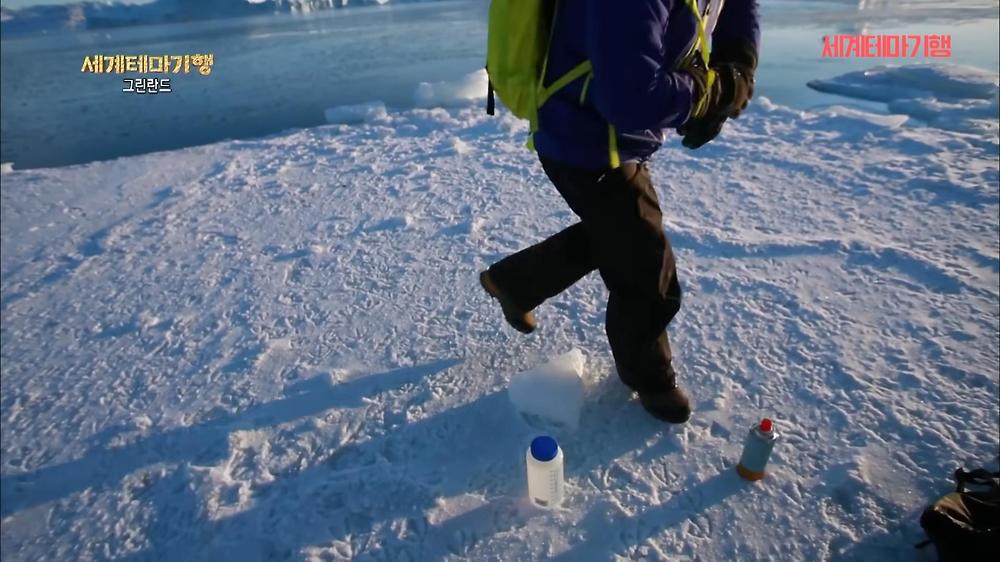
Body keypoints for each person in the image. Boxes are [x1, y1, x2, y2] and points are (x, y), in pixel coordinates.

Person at [480, 0, 761, 423]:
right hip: (582, 140)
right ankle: (647, 375)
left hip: (616, 135)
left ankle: (514, 283)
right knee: (648, 267)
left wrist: (737, 62)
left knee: (618, 232)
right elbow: (630, 95)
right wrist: (712, 92)